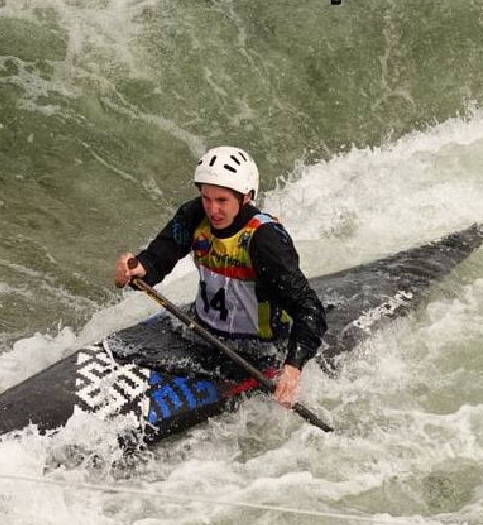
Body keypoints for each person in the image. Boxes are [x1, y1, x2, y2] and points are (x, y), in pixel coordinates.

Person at [114, 146, 326, 409]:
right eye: (206, 198)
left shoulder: (265, 239)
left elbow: (309, 309)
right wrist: (136, 269)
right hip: (199, 332)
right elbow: (157, 259)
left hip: (257, 352)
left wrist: (293, 368)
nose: (213, 209)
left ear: (245, 197)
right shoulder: (194, 215)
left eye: (222, 200)